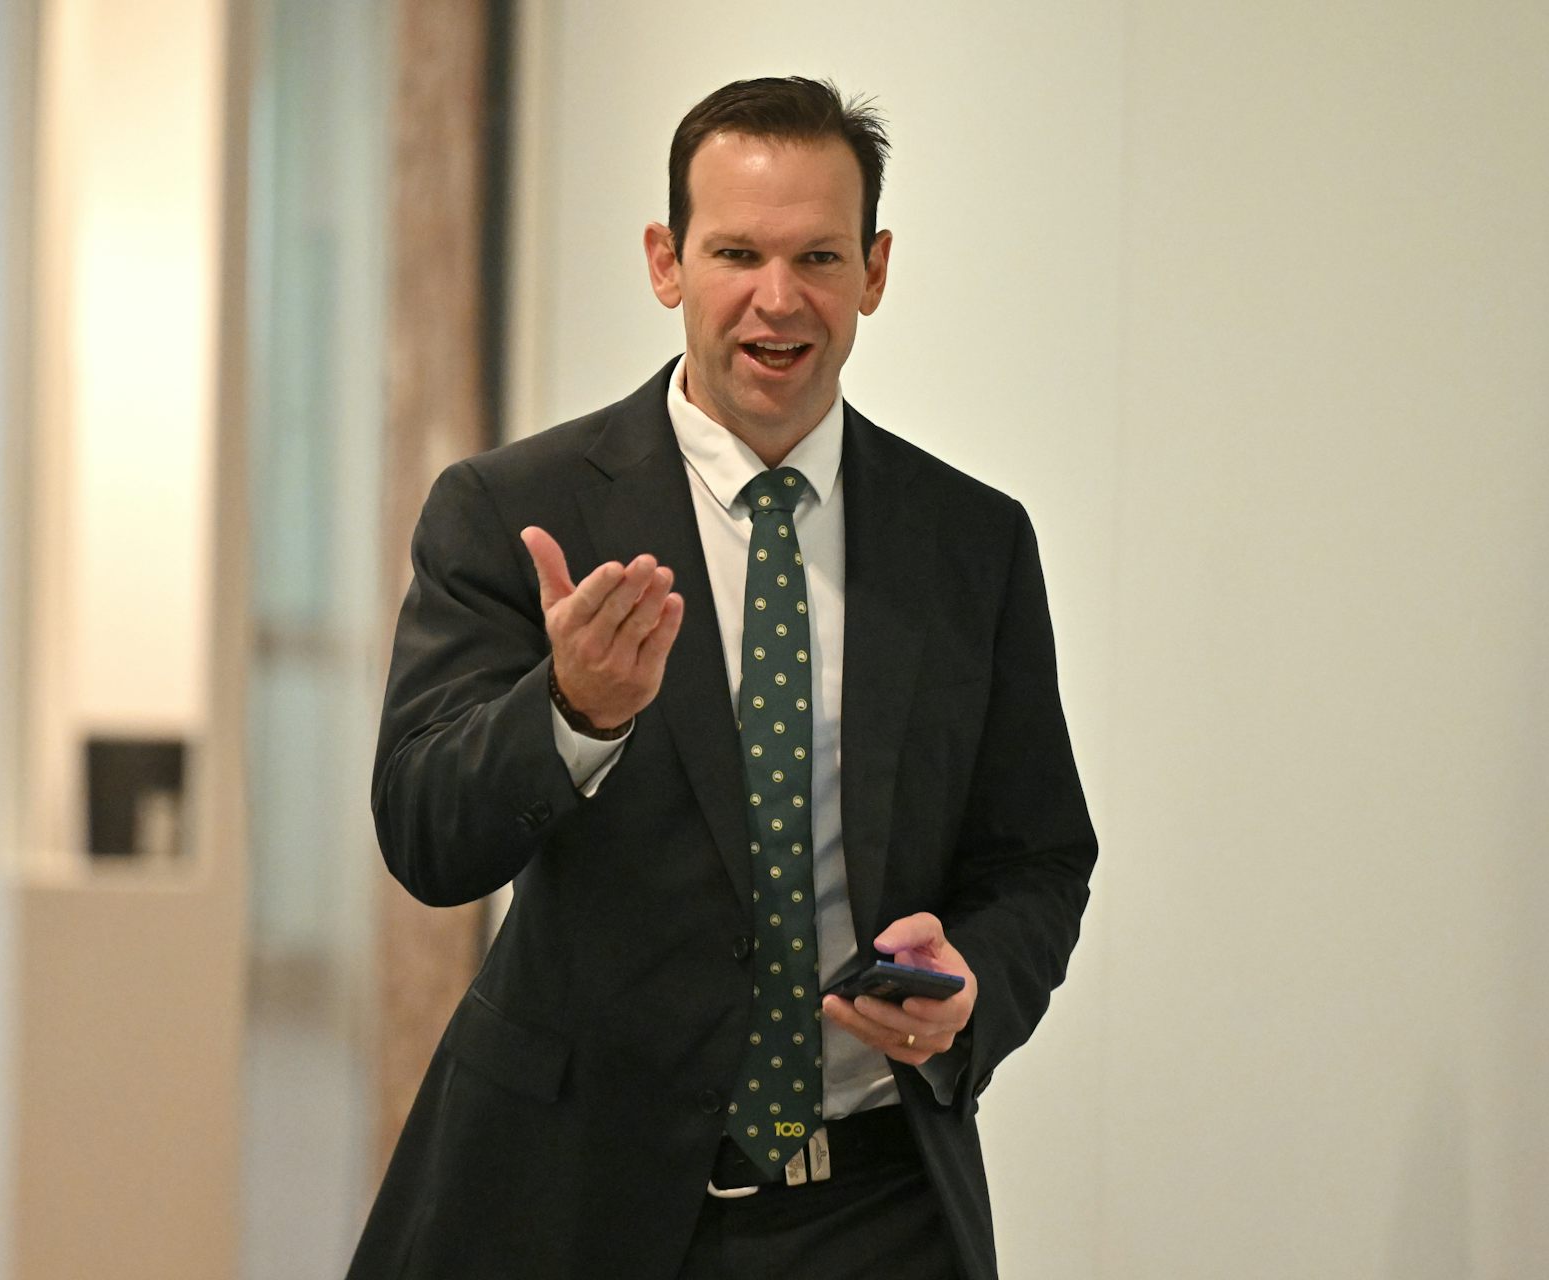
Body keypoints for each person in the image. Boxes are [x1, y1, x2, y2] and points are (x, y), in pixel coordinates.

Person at [347, 76, 1097, 1280]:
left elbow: (1041, 857)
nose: (778, 297)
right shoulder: (515, 510)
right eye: (736, 251)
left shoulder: (974, 541)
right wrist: (572, 716)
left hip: (881, 1204)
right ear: (667, 261)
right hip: (578, 1203)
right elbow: (427, 837)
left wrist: (970, 990)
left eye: (819, 255)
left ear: (877, 270)